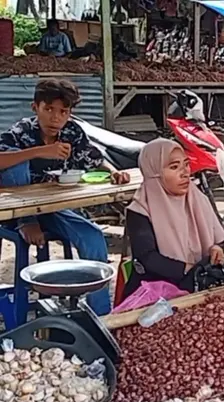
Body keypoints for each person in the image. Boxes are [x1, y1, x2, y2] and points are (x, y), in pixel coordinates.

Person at [0, 79, 131, 315]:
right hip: (16, 211)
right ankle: (26, 222)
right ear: (35, 108)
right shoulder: (22, 131)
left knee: (93, 238)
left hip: (56, 208)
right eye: (48, 109)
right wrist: (41, 151)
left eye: (63, 112)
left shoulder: (72, 132)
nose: (55, 118)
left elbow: (93, 158)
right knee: (16, 164)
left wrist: (114, 172)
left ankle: (102, 318)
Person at [123, 139, 224, 299]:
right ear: (154, 172)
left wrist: (219, 250)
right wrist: (188, 269)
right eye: (174, 167)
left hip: (201, 285)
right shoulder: (140, 210)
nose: (185, 173)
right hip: (156, 294)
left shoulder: (198, 199)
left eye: (186, 164)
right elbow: (148, 258)